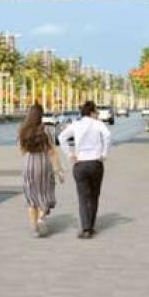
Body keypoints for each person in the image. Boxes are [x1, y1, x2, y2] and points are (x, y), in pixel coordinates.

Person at [57, 99, 112, 239]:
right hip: (95, 162)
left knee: (83, 197)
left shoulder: (76, 124)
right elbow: (107, 135)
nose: (97, 114)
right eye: (96, 112)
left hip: (80, 163)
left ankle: (85, 228)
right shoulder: (98, 124)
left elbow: (61, 137)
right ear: (92, 112)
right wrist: (104, 153)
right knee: (94, 196)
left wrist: (70, 154)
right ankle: (91, 226)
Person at [18, 103, 65, 237]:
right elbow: (52, 152)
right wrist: (59, 170)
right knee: (46, 193)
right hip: (44, 164)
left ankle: (35, 229)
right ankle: (42, 216)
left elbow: (22, 151)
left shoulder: (23, 130)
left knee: (32, 198)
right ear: (41, 116)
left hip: (29, 165)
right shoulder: (46, 131)